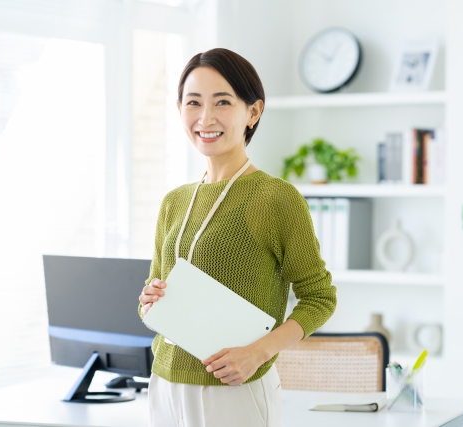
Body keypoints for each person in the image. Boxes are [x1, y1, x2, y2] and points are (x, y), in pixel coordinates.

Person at [137, 48, 336, 427]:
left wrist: (257, 353)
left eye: (222, 102)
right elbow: (153, 291)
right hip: (163, 383)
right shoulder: (174, 202)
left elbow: (319, 298)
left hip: (232, 390)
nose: (206, 117)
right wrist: (149, 299)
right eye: (193, 103)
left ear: (253, 112)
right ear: (180, 110)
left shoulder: (275, 198)